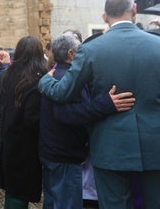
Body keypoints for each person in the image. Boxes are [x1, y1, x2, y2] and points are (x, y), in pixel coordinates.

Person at [38, 0, 160, 208]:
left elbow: (63, 92)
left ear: (104, 17)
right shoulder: (157, 45)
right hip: (155, 143)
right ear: (134, 10)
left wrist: (44, 81)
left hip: (110, 147)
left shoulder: (90, 49)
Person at [39, 34, 135, 209]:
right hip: (64, 154)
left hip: (55, 151)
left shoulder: (57, 74)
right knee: (66, 203)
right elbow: (67, 114)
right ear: (72, 53)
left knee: (54, 200)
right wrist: (105, 104)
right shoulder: (65, 78)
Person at [0, 36, 46, 208]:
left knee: (13, 190)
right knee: (19, 192)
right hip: (25, 146)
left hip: (8, 139)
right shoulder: (36, 80)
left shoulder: (7, 74)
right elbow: (32, 119)